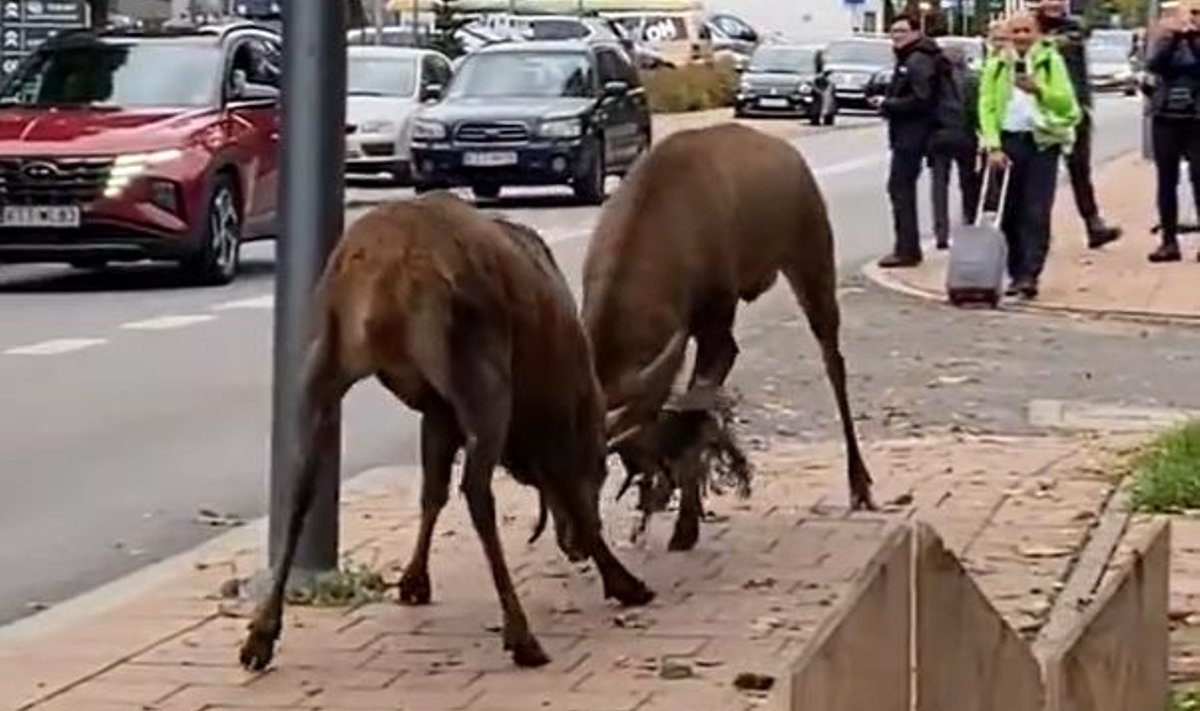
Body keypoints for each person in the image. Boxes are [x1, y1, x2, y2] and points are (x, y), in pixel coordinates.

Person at [978, 12, 1082, 299]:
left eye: (1027, 31)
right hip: (1009, 142)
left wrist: (1040, 90)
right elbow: (986, 105)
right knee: (1009, 213)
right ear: (1008, 35)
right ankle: (1015, 272)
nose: (1022, 37)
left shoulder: (1051, 61)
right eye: (1016, 31)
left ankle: (1029, 275)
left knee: (1035, 212)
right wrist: (993, 145)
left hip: (1041, 143)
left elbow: (1067, 104)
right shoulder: (997, 64)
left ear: (1036, 33)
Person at [1034, 0, 1124, 248]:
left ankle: (1093, 224)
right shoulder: (1028, 27)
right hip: (1041, 107)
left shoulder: (1073, 27)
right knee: (1040, 175)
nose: (1054, 4)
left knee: (1080, 170)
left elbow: (1075, 35)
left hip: (1074, 107)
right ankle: (1038, 231)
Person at [877, 15, 944, 268]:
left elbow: (921, 99)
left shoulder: (917, 60)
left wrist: (888, 105)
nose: (896, 36)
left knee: (900, 189)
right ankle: (907, 247)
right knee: (900, 189)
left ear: (916, 33)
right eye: (893, 31)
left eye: (903, 31)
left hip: (914, 134)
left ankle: (907, 249)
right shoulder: (911, 57)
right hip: (910, 133)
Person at [1145, 0, 1200, 262]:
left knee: (1199, 178)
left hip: (1196, 119)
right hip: (1166, 116)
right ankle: (1168, 241)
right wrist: (1174, 38)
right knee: (1166, 180)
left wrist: (1192, 41)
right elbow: (1155, 65)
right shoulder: (1166, 40)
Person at [928, 43, 982, 249]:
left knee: (939, 186)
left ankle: (941, 232)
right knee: (968, 183)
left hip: (939, 136)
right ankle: (969, 223)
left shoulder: (935, 80)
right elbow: (975, 110)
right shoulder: (972, 80)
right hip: (965, 137)